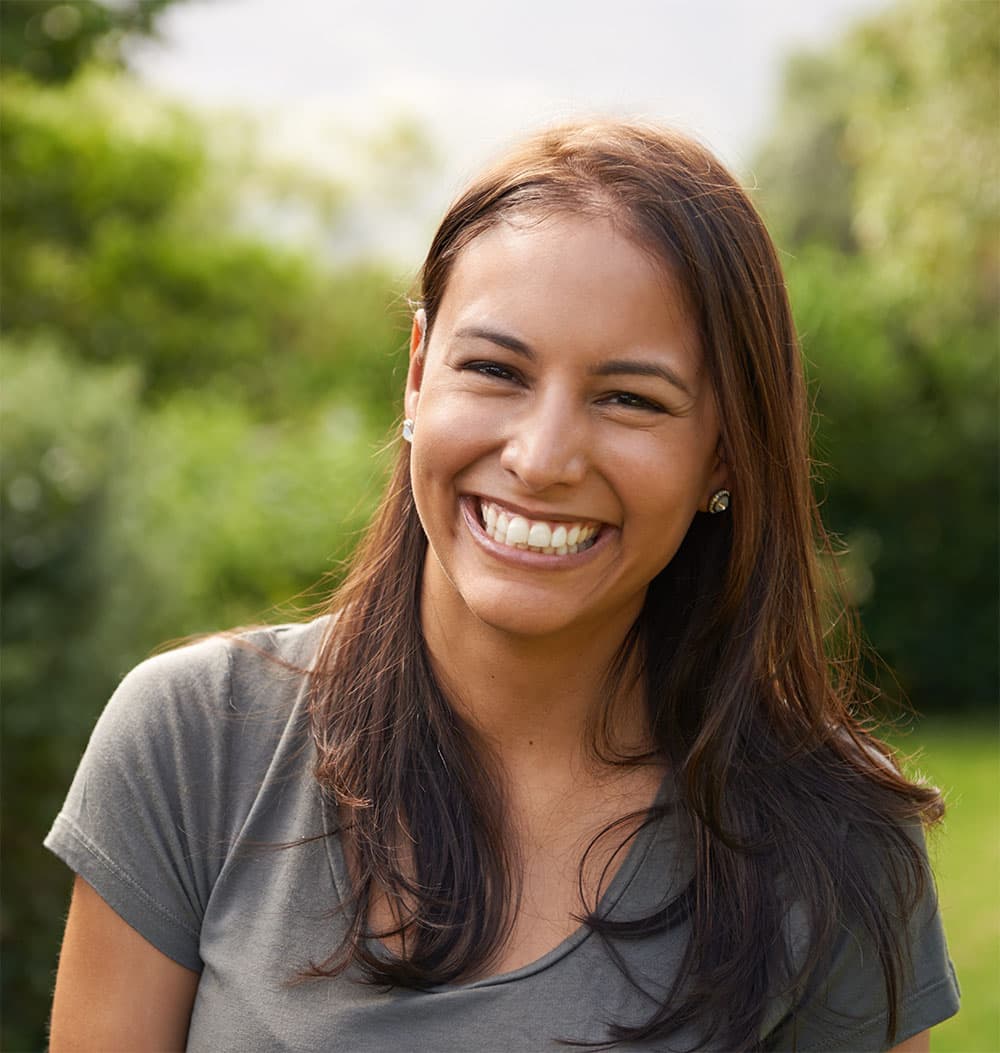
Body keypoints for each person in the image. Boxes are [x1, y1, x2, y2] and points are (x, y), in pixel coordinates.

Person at [46, 120, 959, 1052]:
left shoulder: (838, 845)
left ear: (725, 450)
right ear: (417, 373)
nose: (542, 457)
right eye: (494, 369)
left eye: (630, 398)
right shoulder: (194, 742)